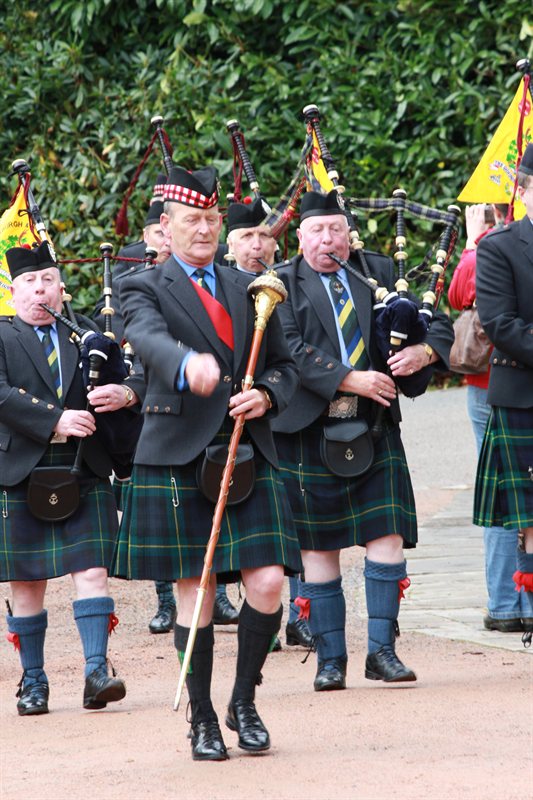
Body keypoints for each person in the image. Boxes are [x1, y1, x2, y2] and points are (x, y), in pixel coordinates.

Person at [112, 165, 302, 760]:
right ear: (165, 228)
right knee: (194, 589)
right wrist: (185, 363)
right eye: (190, 220)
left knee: (269, 580)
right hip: (177, 450)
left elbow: (285, 364)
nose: (203, 230)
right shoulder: (141, 284)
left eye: (211, 219)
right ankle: (201, 719)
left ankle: (243, 700)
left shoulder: (251, 285)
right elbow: (143, 337)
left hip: (247, 449)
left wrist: (267, 393)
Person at [272, 190, 454, 691]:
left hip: (374, 429)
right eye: (318, 231)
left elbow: (437, 322)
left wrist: (424, 352)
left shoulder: (374, 271)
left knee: (387, 538)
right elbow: (287, 347)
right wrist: (350, 378)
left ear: (347, 233)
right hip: (310, 430)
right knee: (317, 549)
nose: (328, 240)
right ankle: (331, 661)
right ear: (300, 235)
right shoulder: (281, 283)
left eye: (336, 230)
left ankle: (383, 653)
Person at [0, 242, 133, 715]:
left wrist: (124, 392)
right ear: (13, 292)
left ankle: (97, 671)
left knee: (93, 571)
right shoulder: (1, 335)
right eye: (30, 283)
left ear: (61, 288)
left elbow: (130, 378)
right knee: (27, 581)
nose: (40, 290)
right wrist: (55, 419)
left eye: (48, 281)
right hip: (22, 471)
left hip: (85, 468)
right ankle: (33, 680)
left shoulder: (88, 337)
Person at [225, 197, 313, 649]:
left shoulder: (291, 285)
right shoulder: (221, 288)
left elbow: (292, 354)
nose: (257, 244)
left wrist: (269, 392)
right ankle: (255, 618)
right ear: (230, 243)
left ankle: (302, 615)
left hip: (286, 416)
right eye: (247, 236)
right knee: (246, 532)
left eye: (265, 236)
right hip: (238, 424)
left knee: (294, 525)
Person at [449, 203, 530, 632]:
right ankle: (508, 600)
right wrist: (472, 243)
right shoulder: (498, 245)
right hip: (499, 389)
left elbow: (461, 294)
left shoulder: (486, 245)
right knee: (512, 500)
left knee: (511, 500)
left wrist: (471, 242)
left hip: (490, 386)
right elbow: (465, 297)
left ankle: (510, 600)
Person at [474, 143, 533, 644]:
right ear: (524, 190)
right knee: (532, 520)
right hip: (524, 397)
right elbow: (501, 324)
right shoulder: (499, 246)